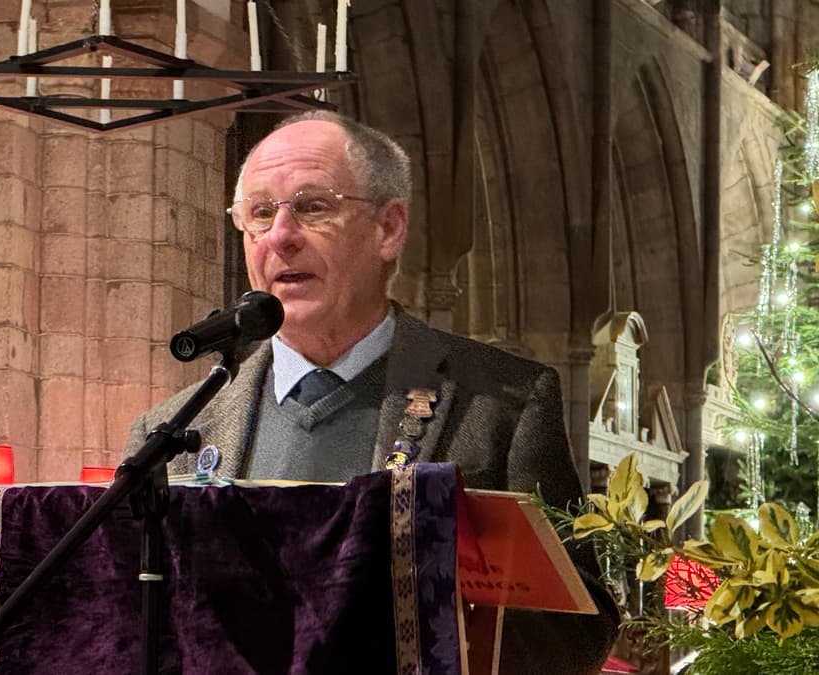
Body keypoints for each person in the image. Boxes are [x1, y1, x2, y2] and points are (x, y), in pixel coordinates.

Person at [125, 112, 619, 674]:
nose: (282, 237)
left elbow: (578, 628)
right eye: (260, 214)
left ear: (389, 229)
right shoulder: (174, 431)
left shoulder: (502, 402)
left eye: (313, 207)